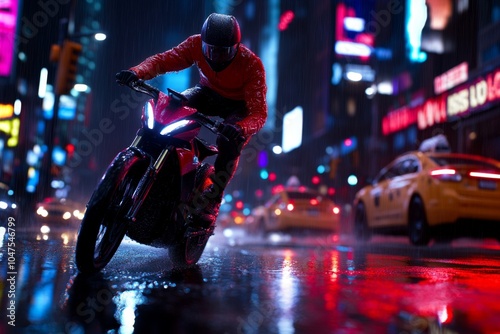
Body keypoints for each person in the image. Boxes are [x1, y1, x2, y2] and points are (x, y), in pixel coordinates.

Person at [116, 13, 268, 229]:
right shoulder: (194, 44)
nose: (215, 57)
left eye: (223, 52)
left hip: (238, 107)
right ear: (203, 43)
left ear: (236, 48)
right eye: (210, 50)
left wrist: (240, 128)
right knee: (171, 107)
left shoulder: (252, 64)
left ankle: (214, 198)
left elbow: (259, 113)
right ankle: (165, 160)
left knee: (228, 143)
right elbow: (163, 61)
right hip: (206, 92)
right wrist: (136, 72)